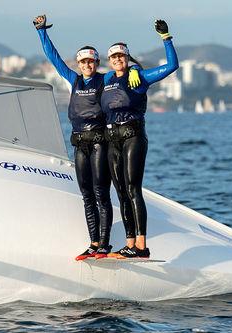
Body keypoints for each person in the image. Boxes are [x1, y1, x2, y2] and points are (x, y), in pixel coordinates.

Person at [32, 15, 141, 260]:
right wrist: (41, 32)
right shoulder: (74, 79)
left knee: (101, 192)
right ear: (79, 64)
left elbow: (123, 70)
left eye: (91, 61)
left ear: (96, 62)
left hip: (99, 142)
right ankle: (93, 243)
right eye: (83, 62)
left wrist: (134, 68)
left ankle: (104, 244)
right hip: (79, 143)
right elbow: (54, 58)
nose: (87, 65)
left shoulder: (105, 79)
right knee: (86, 194)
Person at [102, 20, 179, 258]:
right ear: (110, 61)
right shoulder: (105, 80)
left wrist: (166, 37)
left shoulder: (141, 77)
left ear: (127, 58)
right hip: (112, 138)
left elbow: (172, 66)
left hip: (134, 136)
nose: (117, 60)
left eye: (121, 57)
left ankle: (141, 246)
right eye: (114, 57)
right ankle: (130, 244)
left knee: (133, 188)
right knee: (121, 191)